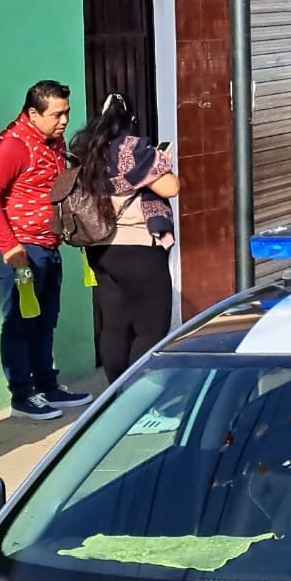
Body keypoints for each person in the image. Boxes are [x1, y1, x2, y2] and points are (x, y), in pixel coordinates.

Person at [0, 80, 92, 421]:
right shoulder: (13, 145)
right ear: (32, 113)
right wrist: (10, 247)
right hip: (20, 248)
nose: (64, 121)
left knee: (45, 320)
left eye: (67, 112)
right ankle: (22, 395)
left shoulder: (52, 142)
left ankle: (47, 385)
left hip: (48, 244)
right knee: (21, 322)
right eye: (56, 114)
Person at [69, 94, 180, 382]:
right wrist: (163, 163)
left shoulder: (83, 148)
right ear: (130, 120)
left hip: (99, 247)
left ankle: (114, 392)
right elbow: (170, 188)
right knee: (152, 328)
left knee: (115, 324)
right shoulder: (135, 149)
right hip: (139, 247)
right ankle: (138, 392)